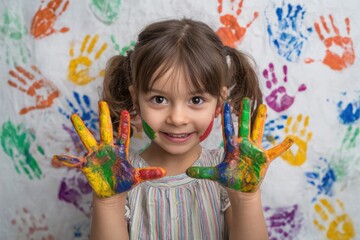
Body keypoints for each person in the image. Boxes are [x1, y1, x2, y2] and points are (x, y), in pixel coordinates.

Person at [53, 18, 293, 240]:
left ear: (219, 102)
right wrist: (109, 202)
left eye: (196, 100)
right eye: (159, 99)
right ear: (136, 99)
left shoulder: (229, 173)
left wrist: (245, 198)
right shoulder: (119, 177)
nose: (177, 118)